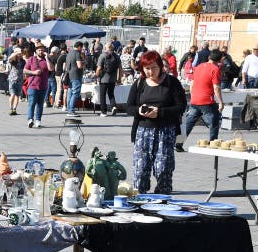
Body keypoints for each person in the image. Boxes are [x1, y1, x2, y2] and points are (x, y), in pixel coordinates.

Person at [126, 50, 186, 194]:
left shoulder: (171, 82)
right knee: (140, 170)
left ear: (160, 66)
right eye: (147, 68)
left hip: (165, 132)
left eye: (154, 67)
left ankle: (162, 201)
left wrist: (160, 112)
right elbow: (129, 107)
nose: (150, 71)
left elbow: (181, 107)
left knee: (163, 169)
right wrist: (139, 111)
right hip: (143, 131)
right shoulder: (139, 83)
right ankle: (139, 200)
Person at [185, 49, 224, 145]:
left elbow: (192, 84)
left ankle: (178, 143)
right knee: (214, 122)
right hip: (207, 101)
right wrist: (221, 102)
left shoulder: (198, 67)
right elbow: (216, 87)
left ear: (209, 57)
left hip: (195, 100)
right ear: (219, 60)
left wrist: (193, 96)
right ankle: (213, 143)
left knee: (189, 123)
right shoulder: (215, 69)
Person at [24, 43, 52, 128]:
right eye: (39, 50)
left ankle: (38, 120)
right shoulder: (31, 59)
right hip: (32, 85)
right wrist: (33, 72)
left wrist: (47, 58)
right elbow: (25, 70)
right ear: (36, 51)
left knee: (40, 105)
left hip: (43, 86)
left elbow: (51, 69)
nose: (41, 51)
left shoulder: (46, 60)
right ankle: (30, 120)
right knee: (31, 103)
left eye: (42, 50)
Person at [95, 43, 122, 116]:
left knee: (102, 95)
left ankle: (103, 112)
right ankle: (113, 106)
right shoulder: (116, 56)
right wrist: (119, 79)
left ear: (105, 48)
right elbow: (120, 68)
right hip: (113, 79)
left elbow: (99, 68)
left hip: (103, 79)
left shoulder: (103, 55)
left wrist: (96, 76)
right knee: (111, 94)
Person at [65, 41, 85, 117]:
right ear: (79, 47)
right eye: (82, 47)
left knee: (70, 92)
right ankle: (71, 110)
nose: (82, 49)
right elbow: (79, 65)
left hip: (69, 75)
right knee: (75, 93)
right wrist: (83, 63)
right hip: (76, 75)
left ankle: (69, 110)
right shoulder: (77, 53)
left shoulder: (69, 53)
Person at [7, 47, 24, 115]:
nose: (20, 54)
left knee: (17, 95)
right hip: (12, 80)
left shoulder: (23, 61)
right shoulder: (14, 60)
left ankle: (14, 109)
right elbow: (9, 59)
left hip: (20, 80)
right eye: (19, 53)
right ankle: (11, 108)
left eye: (21, 53)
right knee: (13, 94)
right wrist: (16, 53)